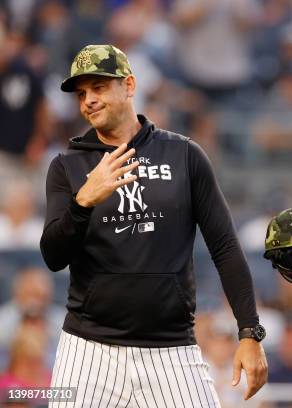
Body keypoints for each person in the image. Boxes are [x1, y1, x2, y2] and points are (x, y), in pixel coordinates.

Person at [39, 44, 267, 407]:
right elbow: (53, 256)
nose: (88, 101)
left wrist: (249, 332)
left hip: (172, 349)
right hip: (88, 350)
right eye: (82, 93)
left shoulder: (184, 154)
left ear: (129, 85)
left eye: (98, 87)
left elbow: (224, 245)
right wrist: (83, 202)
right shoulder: (67, 166)